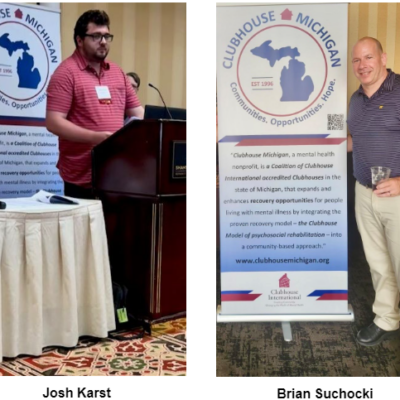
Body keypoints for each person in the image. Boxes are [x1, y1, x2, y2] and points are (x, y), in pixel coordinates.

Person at [46, 10, 144, 199]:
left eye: (107, 36)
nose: (103, 41)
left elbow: (138, 113)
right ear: (80, 40)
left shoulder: (118, 73)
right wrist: (98, 137)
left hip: (116, 173)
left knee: (115, 229)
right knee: (84, 230)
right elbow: (53, 122)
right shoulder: (66, 73)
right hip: (81, 178)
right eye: (96, 36)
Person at [347, 36, 400, 346]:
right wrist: (320, 146)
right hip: (364, 193)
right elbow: (357, 141)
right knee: (378, 262)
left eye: (368, 57)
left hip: (396, 195)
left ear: (383, 58)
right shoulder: (356, 100)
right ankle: (388, 318)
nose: (362, 65)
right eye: (356, 60)